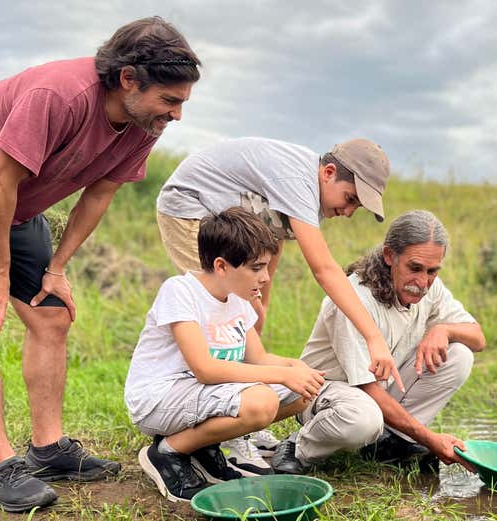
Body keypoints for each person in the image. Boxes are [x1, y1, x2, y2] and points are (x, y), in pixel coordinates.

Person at [0, 17, 200, 512]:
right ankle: (1, 470)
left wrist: (58, 265)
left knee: (52, 311)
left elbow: (98, 193)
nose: (177, 115)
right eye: (170, 101)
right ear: (128, 79)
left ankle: (48, 448)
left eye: (182, 102)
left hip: (16, 206)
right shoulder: (57, 95)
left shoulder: (144, 123)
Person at [155, 136, 404, 473]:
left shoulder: (305, 188)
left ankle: (238, 422)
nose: (347, 212)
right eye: (349, 199)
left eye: (356, 207)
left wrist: (260, 306)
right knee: (218, 317)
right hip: (191, 211)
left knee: (245, 321)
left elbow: (268, 241)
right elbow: (324, 269)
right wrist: (374, 338)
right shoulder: (300, 180)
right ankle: (221, 436)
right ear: (328, 172)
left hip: (236, 226)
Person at [125, 207, 325, 502]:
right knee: (262, 401)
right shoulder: (181, 291)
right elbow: (205, 369)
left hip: (200, 396)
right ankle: (167, 452)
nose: (266, 277)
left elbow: (259, 359)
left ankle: (206, 446)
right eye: (257, 268)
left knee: (301, 391)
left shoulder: (238, 300)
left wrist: (296, 368)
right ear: (221, 266)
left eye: (267, 267)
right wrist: (283, 374)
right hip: (159, 399)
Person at [269, 210, 486, 474]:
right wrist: (430, 439)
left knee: (460, 354)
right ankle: (297, 446)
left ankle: (394, 442)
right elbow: (368, 389)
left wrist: (444, 329)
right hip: (324, 392)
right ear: (388, 256)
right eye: (414, 268)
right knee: (363, 419)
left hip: (377, 391)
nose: (423, 282)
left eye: (432, 271)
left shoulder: (432, 288)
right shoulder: (355, 298)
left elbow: (478, 337)